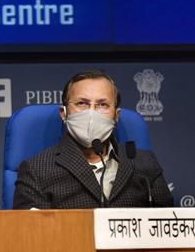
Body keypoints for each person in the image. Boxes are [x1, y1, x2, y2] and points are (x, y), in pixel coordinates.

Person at [13, 70, 173, 209]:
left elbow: (169, 229)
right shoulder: (36, 170)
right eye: (82, 103)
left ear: (116, 116)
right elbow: (31, 235)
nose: (91, 113)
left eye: (102, 105)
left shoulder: (144, 163)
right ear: (64, 114)